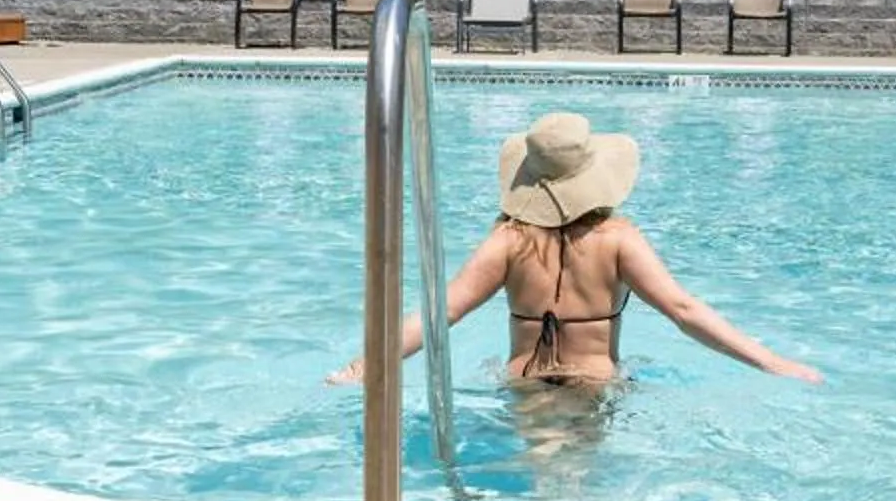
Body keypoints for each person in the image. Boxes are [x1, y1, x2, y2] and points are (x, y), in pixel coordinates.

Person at [330, 111, 820, 388]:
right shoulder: (618, 240)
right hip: (594, 388)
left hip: (522, 385)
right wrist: (774, 362)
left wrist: (364, 365)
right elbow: (683, 310)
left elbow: (441, 313)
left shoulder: (508, 241)